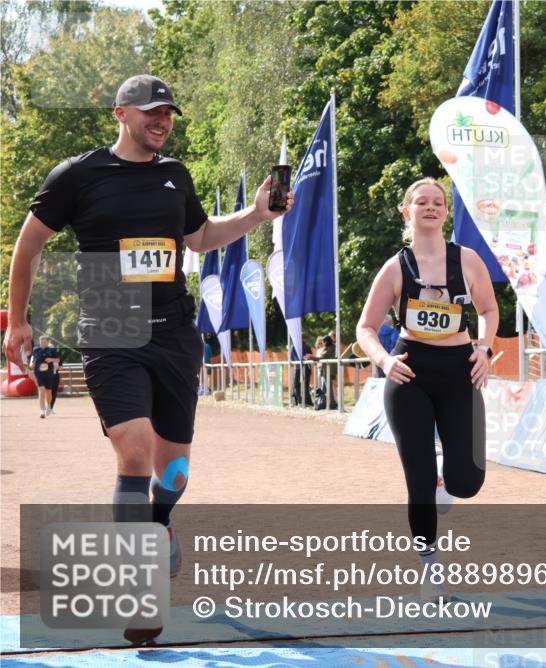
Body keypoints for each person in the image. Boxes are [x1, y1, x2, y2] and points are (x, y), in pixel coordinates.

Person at [2, 74, 293, 644]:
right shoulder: (77, 174)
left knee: (174, 472)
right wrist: (17, 319)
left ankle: (159, 525)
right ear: (121, 113)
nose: (162, 121)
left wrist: (258, 215)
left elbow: (201, 238)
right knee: (133, 452)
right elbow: (29, 244)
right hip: (111, 322)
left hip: (174, 329)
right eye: (152, 111)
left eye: (168, 114)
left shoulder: (175, 175)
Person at [356, 177, 498, 601]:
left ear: (446, 213)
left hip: (460, 372)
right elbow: (365, 328)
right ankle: (431, 570)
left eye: (438, 202)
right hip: (409, 374)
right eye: (422, 202)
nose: (431, 207)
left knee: (466, 482)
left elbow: (490, 309)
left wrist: (485, 348)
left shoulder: (467, 260)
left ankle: (444, 479)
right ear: (407, 211)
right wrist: (385, 362)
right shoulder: (395, 268)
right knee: (418, 481)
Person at [31, 335, 60, 417]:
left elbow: (58, 360)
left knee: (48, 392)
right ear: (39, 342)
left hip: (49, 373)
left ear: (47, 342)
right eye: (41, 342)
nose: (43, 344)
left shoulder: (52, 350)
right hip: (38, 373)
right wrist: (32, 365)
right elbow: (34, 359)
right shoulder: (36, 349)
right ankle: (42, 411)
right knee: (41, 390)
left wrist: (51, 360)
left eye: (44, 342)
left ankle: (49, 406)